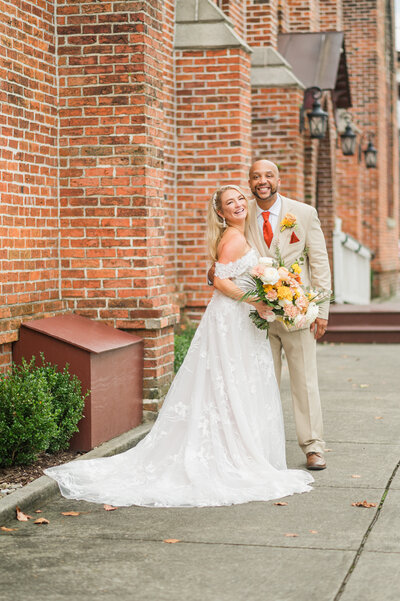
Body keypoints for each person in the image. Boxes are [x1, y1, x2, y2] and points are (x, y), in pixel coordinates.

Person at [45, 185, 313, 507]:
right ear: (221, 212)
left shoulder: (239, 234)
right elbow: (220, 281)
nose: (239, 204)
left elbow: (226, 274)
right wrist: (256, 300)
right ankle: (231, 453)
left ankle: (236, 447)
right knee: (229, 382)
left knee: (234, 384)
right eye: (230, 202)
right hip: (232, 319)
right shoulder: (235, 237)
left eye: (241, 198)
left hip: (239, 319)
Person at [246, 160, 331, 470]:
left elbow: (319, 263)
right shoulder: (243, 217)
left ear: (279, 178)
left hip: (298, 314)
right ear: (250, 181)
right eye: (256, 176)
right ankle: (260, 447)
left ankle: (313, 446)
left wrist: (321, 309)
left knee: (305, 382)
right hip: (258, 317)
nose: (262, 181)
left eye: (268, 175)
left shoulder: (304, 214)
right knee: (260, 382)